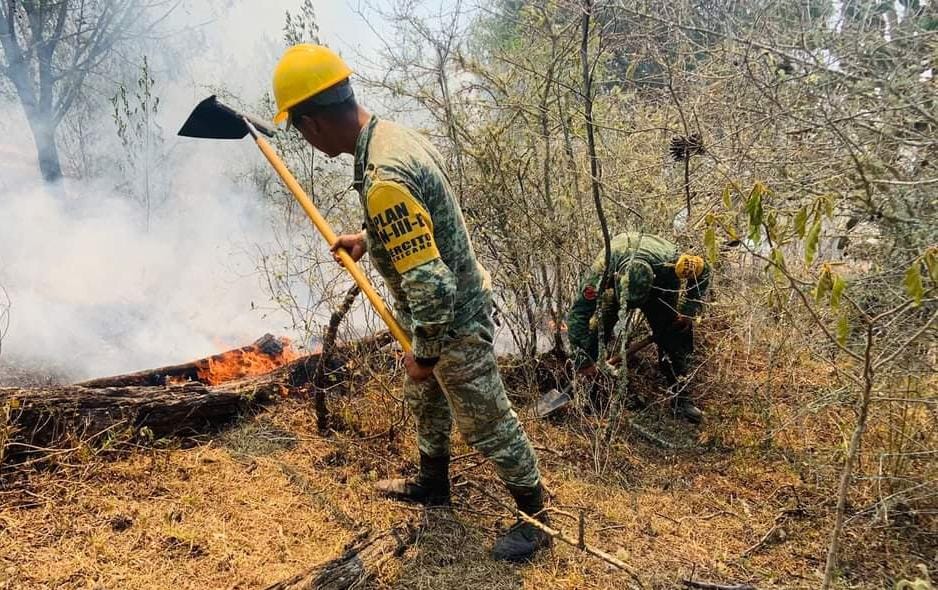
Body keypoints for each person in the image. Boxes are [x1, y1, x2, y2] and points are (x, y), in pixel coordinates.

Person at [271, 44, 549, 562]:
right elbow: (421, 225)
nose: (305, 140)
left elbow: (434, 285)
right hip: (439, 311)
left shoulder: (384, 179)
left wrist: (424, 354)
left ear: (311, 123)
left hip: (451, 317)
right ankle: (432, 484)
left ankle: (536, 520)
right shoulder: (390, 137)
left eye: (299, 130)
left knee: (486, 418)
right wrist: (368, 239)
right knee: (427, 401)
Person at [566, 232, 710, 423]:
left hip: (659, 289)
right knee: (596, 330)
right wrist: (583, 360)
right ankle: (591, 394)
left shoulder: (672, 262)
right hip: (615, 289)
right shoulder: (601, 272)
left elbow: (704, 270)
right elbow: (578, 314)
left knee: (673, 336)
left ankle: (681, 400)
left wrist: (688, 310)